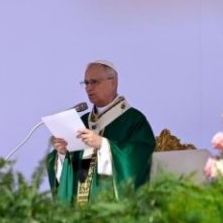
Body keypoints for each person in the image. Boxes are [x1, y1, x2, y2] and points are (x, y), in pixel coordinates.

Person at [46, 60, 155, 205]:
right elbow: (70, 175)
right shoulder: (82, 122)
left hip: (110, 208)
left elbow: (138, 159)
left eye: (94, 82)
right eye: (86, 83)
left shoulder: (133, 120)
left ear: (113, 83)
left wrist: (103, 145)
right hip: (79, 209)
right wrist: (62, 154)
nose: (88, 88)